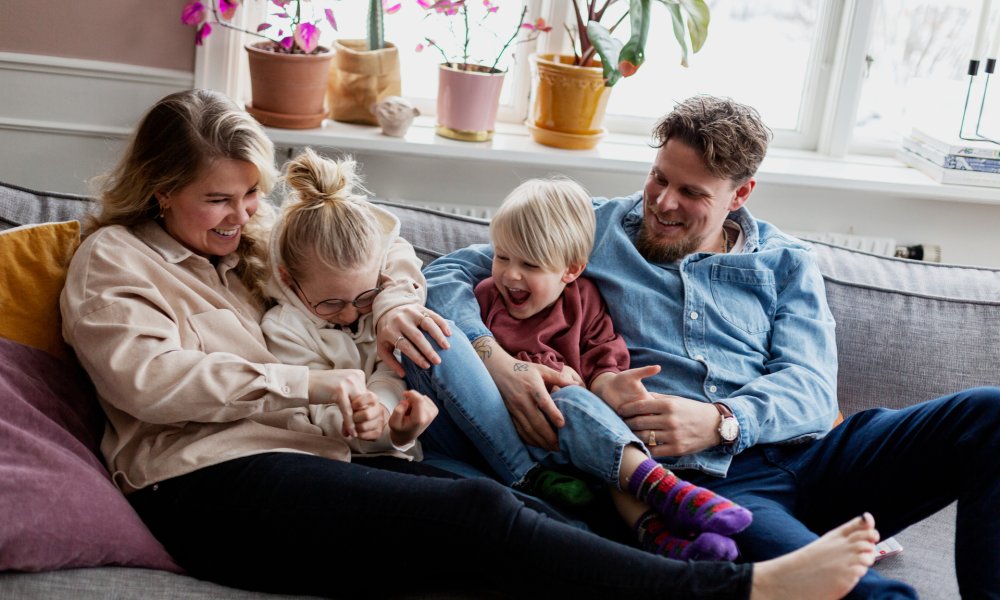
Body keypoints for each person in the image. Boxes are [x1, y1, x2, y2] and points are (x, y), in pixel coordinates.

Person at [58, 88, 881, 599]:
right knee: (485, 510)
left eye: (251, 195)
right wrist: (313, 391)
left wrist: (387, 323)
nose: (243, 217)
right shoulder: (114, 260)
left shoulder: (263, 243)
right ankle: (738, 592)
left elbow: (392, 253)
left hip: (321, 463)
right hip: (205, 488)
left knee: (532, 511)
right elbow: (149, 382)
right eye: (218, 200)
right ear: (162, 192)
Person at [414, 95, 1000, 598]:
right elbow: (449, 274)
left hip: (814, 454)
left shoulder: (786, 262)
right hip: (714, 486)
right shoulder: (591, 228)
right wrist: (498, 360)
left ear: (740, 193)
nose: (663, 203)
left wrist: (722, 420)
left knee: (989, 414)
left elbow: (814, 390)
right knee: (850, 591)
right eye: (659, 177)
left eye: (690, 192)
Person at [420, 176, 752, 560]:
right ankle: (666, 495)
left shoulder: (586, 301)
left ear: (571, 270)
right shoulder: (484, 297)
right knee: (574, 403)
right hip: (506, 434)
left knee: (586, 412)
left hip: (573, 438)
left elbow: (602, 354)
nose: (510, 274)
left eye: (529, 264)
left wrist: (608, 384)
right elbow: (440, 289)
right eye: (501, 256)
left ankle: (661, 527)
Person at [260, 148, 436, 460]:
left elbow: (390, 369)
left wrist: (382, 410)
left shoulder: (382, 294)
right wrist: (366, 423)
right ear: (288, 279)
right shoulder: (284, 329)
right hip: (346, 459)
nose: (351, 313)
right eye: (330, 303)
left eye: (363, 297)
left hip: (400, 447)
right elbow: (316, 410)